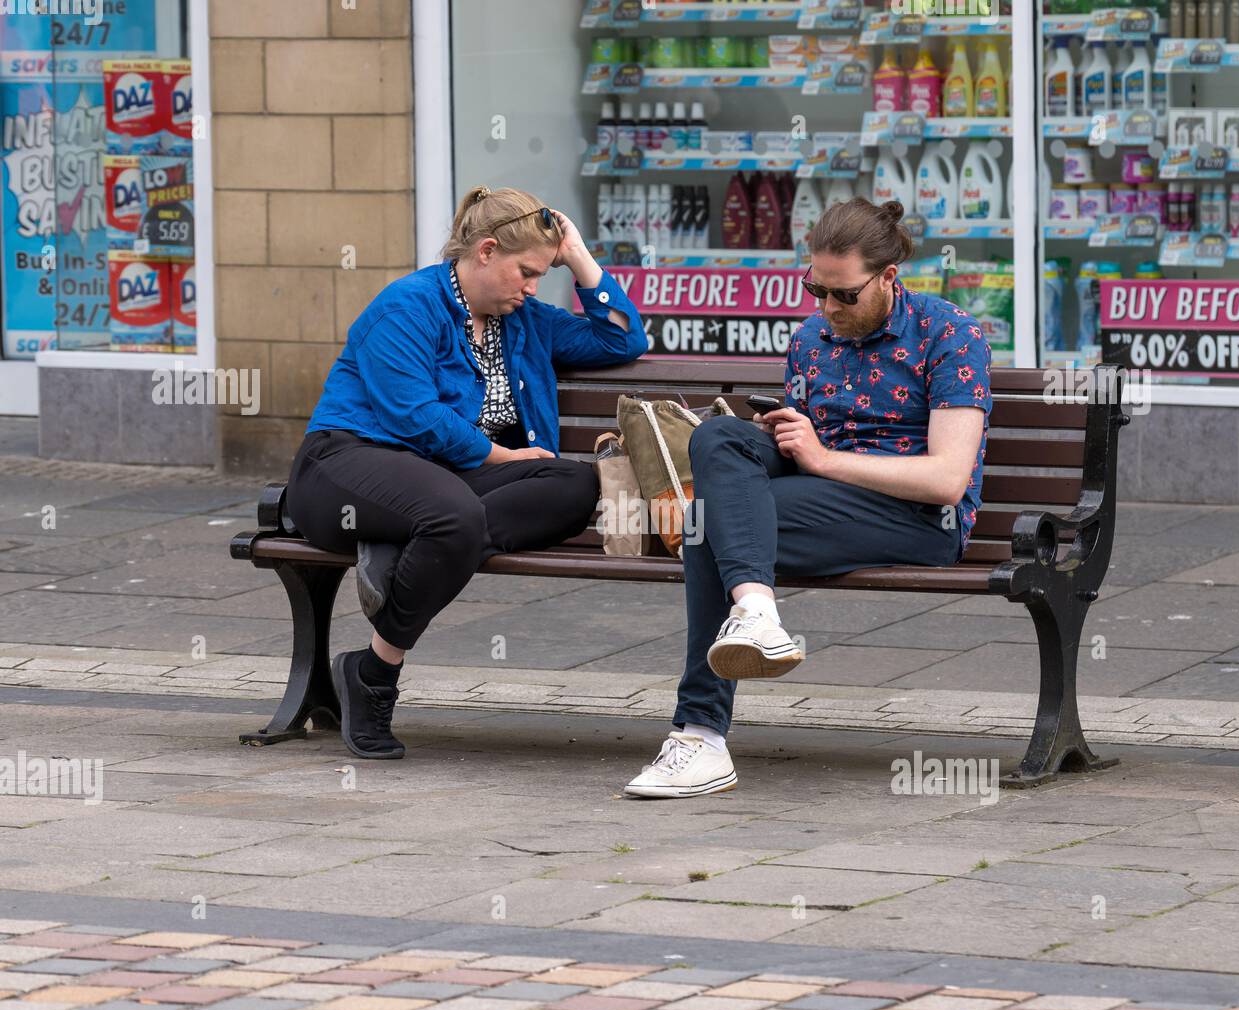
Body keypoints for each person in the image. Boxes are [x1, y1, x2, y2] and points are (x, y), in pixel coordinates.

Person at [625, 198, 992, 799]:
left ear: (888, 278)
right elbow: (804, 449)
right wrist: (791, 439)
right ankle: (757, 610)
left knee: (704, 524)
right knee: (717, 438)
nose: (827, 309)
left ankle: (700, 736)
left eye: (843, 295)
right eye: (815, 289)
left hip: (920, 516)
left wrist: (820, 458)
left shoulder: (949, 332)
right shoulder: (811, 339)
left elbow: (947, 480)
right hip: (827, 496)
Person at [287, 186, 647, 760]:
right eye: (526, 272)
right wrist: (505, 458)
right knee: (450, 514)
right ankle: (376, 674)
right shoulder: (407, 305)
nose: (533, 288)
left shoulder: (524, 319)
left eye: (542, 275)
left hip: (442, 482)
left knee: (575, 484)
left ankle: (407, 548)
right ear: (485, 251)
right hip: (348, 464)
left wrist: (578, 256)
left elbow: (622, 337)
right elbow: (413, 415)